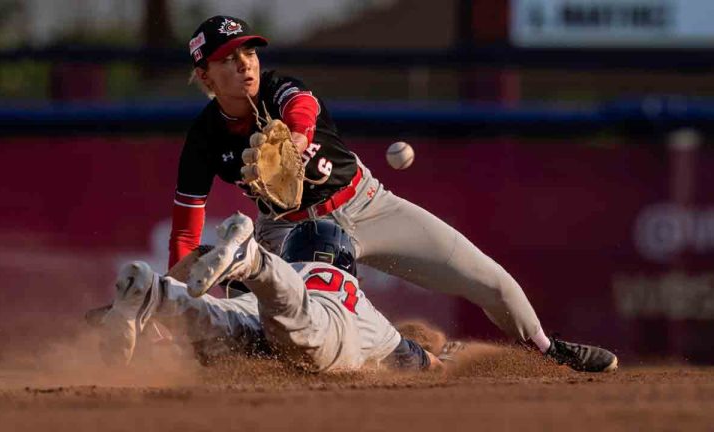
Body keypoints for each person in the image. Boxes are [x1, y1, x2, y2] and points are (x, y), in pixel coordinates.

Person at [170, 15, 617, 373]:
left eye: (248, 51)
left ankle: (547, 350)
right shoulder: (204, 140)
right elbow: (185, 233)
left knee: (492, 282)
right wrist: (174, 299)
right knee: (292, 337)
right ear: (205, 75)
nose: (244, 63)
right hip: (290, 234)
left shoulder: (278, 88)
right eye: (227, 58)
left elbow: (302, 108)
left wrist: (297, 143)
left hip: (365, 204)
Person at [101, 213, 440, 372]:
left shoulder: (293, 268)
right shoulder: (360, 304)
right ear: (346, 262)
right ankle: (251, 257)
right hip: (326, 326)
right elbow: (415, 360)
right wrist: (440, 363)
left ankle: (153, 291)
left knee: (219, 319)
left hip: (257, 312)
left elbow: (202, 255)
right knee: (296, 316)